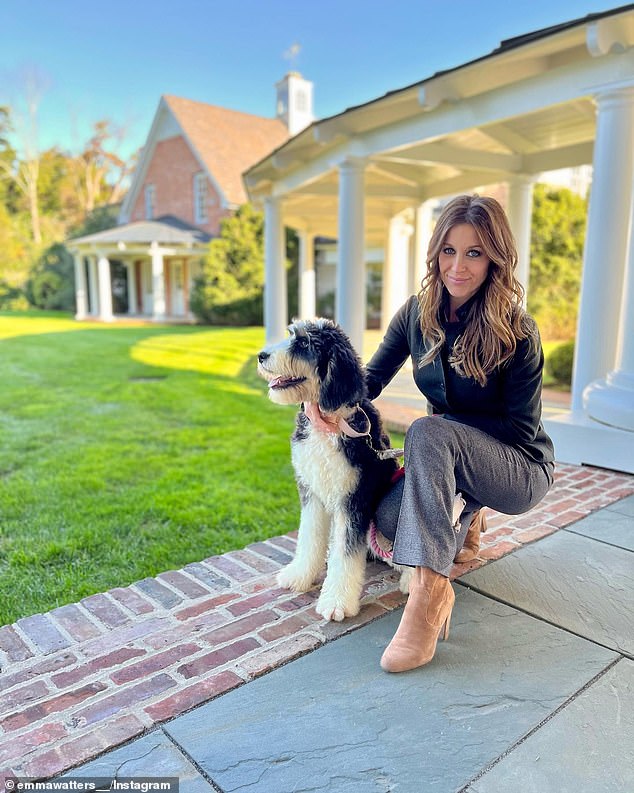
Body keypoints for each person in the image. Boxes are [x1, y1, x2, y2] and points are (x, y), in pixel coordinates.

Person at [366, 194, 555, 673]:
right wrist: (322, 395)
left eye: (474, 252)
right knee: (391, 523)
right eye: (449, 250)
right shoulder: (416, 313)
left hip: (517, 467)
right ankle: (464, 519)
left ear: (494, 256)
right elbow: (370, 379)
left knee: (429, 431)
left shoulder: (518, 331)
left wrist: (445, 431)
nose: (458, 266)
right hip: (447, 458)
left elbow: (519, 428)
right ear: (435, 253)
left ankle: (429, 597)